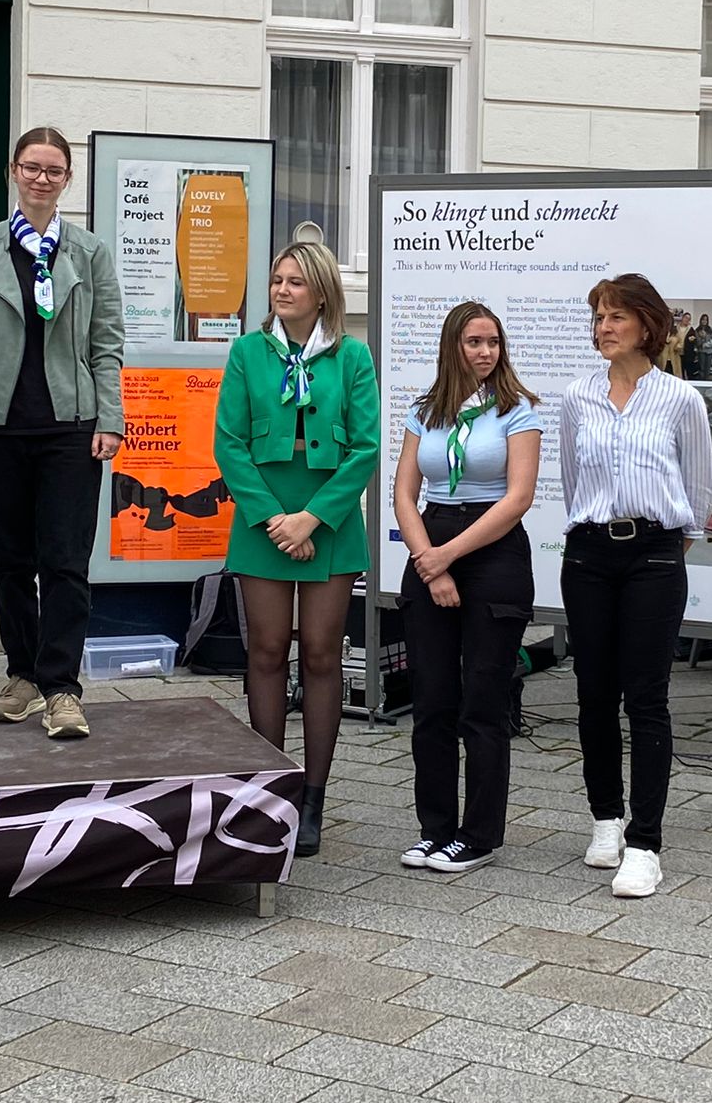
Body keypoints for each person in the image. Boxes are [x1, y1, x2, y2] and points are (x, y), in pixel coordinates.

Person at [0, 126, 126, 740]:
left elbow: (107, 345)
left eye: (53, 170)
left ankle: (62, 688)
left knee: (65, 561)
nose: (41, 179)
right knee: (11, 561)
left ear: (67, 179)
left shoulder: (89, 253)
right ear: (13, 172)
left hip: (71, 428)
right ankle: (22, 675)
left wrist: (110, 418)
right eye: (31, 167)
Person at [213, 241, 380, 857]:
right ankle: (268, 795)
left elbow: (365, 447)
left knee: (319, 655)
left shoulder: (352, 356)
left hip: (328, 519)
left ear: (322, 292)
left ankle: (312, 798)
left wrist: (310, 520)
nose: (282, 290)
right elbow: (229, 443)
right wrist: (276, 520)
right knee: (264, 651)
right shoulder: (247, 352)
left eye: (295, 282)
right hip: (264, 518)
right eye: (277, 280)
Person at [558, 273, 712, 898]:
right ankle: (606, 820)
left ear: (647, 325)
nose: (604, 327)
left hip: (653, 553)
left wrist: (664, 549)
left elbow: (699, 492)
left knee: (646, 698)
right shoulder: (578, 397)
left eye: (616, 316)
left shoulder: (680, 399)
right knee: (593, 693)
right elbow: (573, 480)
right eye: (598, 317)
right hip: (588, 553)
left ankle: (646, 843)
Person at [391, 302, 540, 873]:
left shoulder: (517, 410)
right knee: (431, 701)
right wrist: (429, 562)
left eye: (493, 342)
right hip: (430, 543)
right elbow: (404, 494)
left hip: (492, 551)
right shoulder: (424, 411)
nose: (486, 352)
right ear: (452, 346)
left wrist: (446, 558)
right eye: (475, 342)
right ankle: (435, 829)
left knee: (483, 701)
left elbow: (518, 498)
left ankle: (478, 836)